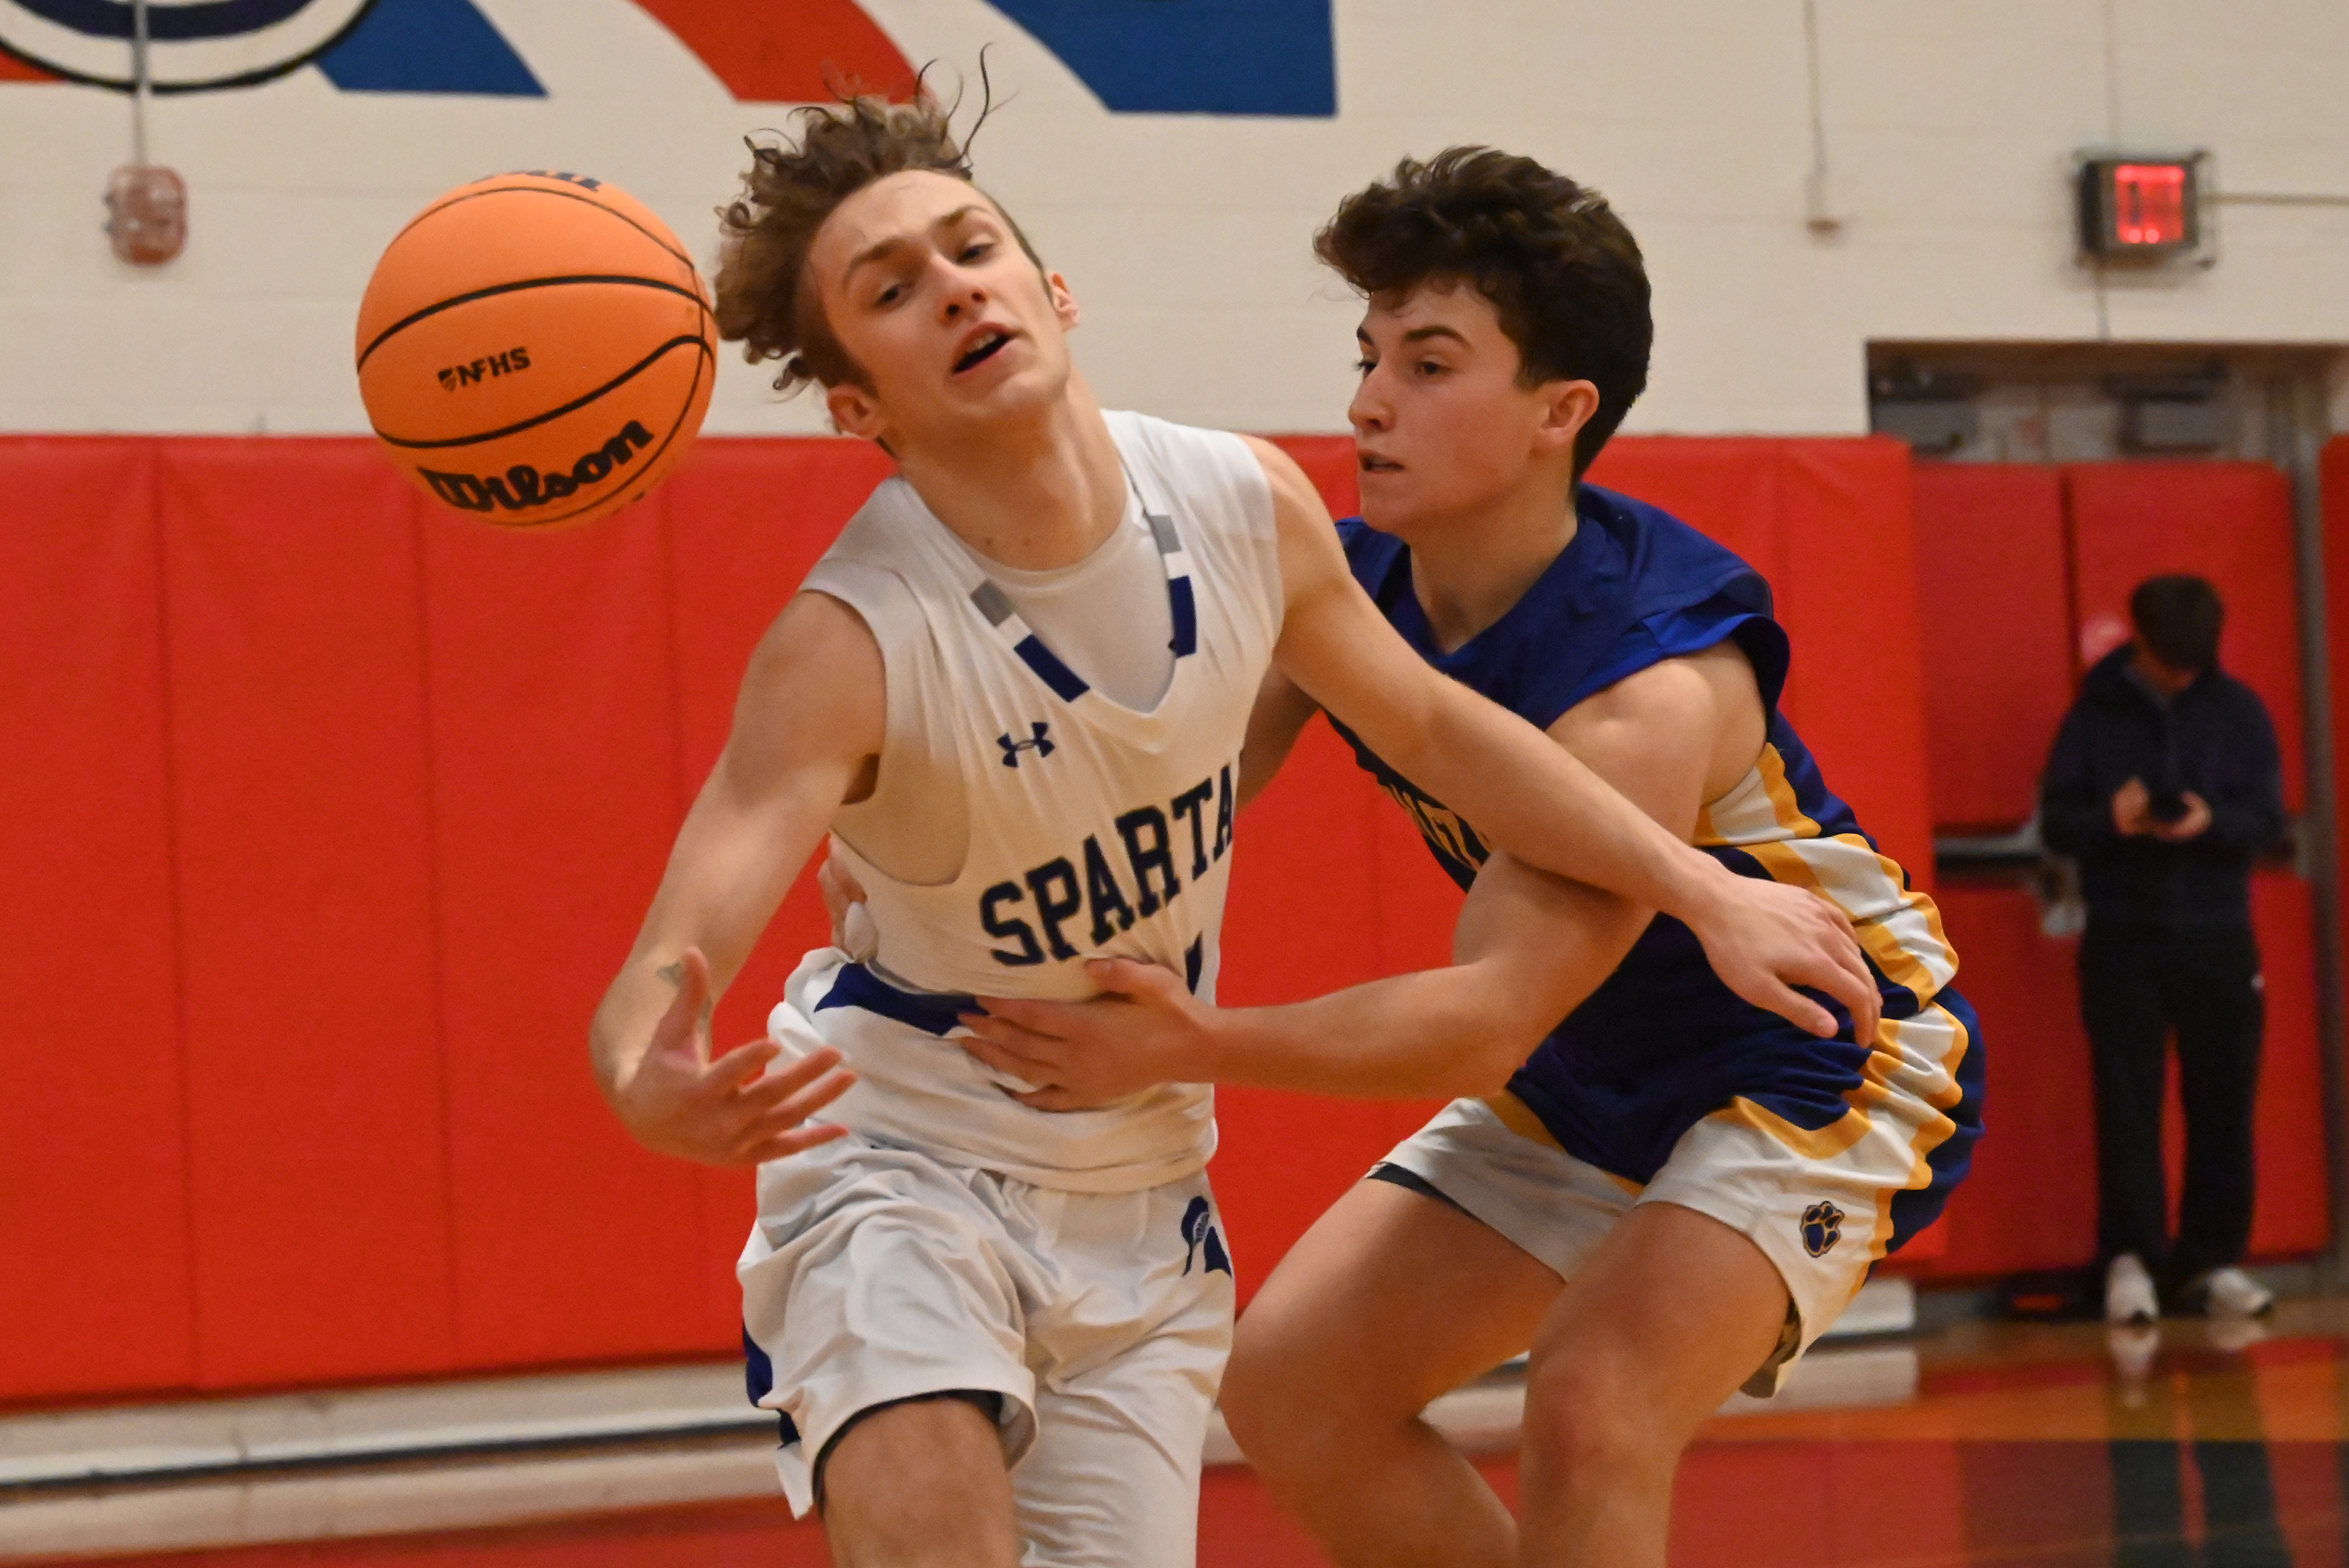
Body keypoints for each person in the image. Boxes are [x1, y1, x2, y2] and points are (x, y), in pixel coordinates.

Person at [586, 100, 1877, 1568]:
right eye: (890, 289)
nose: (952, 284)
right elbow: (687, 929)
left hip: (1141, 1184)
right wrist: (644, 1068)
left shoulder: (1246, 508)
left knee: (1549, 1394)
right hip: (906, 1149)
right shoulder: (850, 638)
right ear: (853, 406)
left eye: (973, 246)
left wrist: (1702, 888)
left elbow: (1449, 739)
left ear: (1054, 293)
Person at [947, 147, 1983, 1568]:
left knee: (1595, 1402)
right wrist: (944, 854)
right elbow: (1178, 796)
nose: (1369, 400)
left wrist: (1189, 1042)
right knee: (1295, 1386)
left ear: (1563, 411)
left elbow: (1488, 1012)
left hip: (1814, 1055)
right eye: (1369, 353)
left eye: (1430, 364)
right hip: (1590, 1070)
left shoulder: (1642, 688)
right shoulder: (1355, 583)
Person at [2040, 574, 2285, 1325]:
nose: (2184, 672)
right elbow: (2058, 824)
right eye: (2170, 657)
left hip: (2219, 932)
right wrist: (2114, 820)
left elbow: (2269, 820)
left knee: (2224, 1101)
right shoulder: (2093, 716)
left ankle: (2211, 1261)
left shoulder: (2240, 711)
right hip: (2124, 934)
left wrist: (2211, 820)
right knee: (2127, 1102)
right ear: (2138, 639)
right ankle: (2132, 1257)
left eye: (2195, 660)